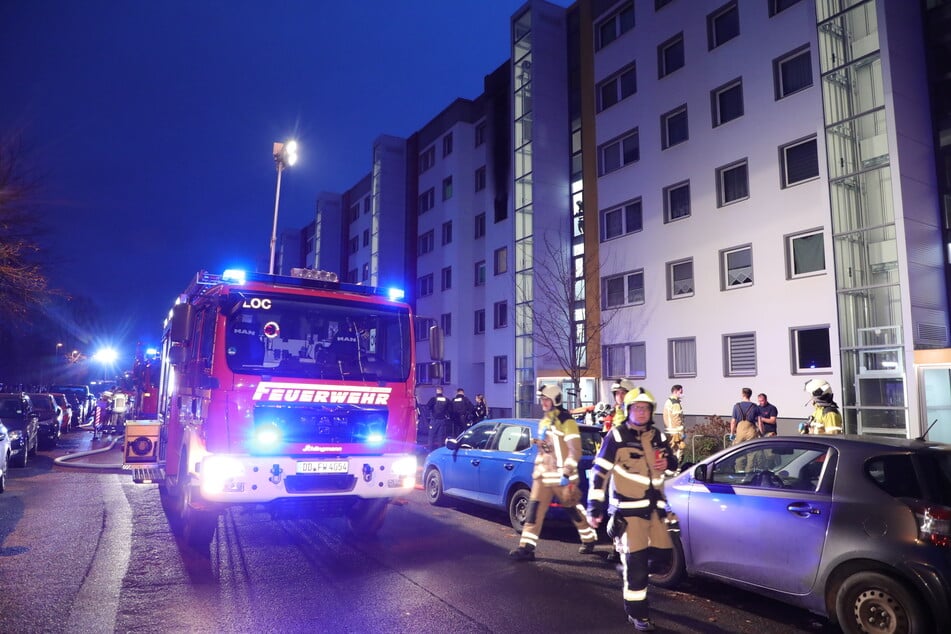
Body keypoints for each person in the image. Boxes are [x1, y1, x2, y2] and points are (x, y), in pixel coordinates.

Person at [586, 387, 677, 632]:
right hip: (629, 511)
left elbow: (671, 464)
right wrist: (594, 506)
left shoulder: (657, 435)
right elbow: (600, 472)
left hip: (656, 509)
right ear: (628, 411)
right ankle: (638, 614)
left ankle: (627, 565)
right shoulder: (616, 436)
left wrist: (668, 462)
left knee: (661, 559)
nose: (642, 412)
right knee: (637, 567)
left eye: (646, 408)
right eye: (637, 407)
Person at [509, 384, 599, 561]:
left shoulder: (568, 422)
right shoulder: (544, 421)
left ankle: (589, 538)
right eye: (542, 399)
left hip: (562, 477)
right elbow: (545, 449)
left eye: (546, 399)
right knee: (533, 511)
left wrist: (566, 472)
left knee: (573, 509)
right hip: (543, 476)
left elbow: (575, 451)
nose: (543, 402)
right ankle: (526, 547)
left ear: (555, 400)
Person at [662, 385, 686, 465]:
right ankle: (676, 468)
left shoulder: (669, 401)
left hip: (669, 430)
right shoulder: (675, 403)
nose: (682, 394)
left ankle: (668, 467)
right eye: (681, 392)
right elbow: (677, 419)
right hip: (676, 431)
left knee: (670, 450)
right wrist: (681, 431)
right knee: (679, 450)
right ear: (675, 392)